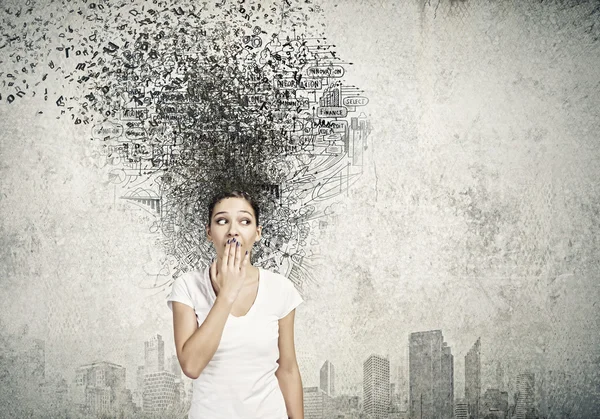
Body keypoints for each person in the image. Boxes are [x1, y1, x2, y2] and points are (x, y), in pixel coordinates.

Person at [166, 189, 304, 419]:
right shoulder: (187, 287)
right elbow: (191, 366)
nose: (233, 230)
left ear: (257, 233)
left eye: (244, 221)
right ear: (209, 232)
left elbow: (288, 369)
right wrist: (227, 293)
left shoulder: (281, 289)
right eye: (222, 221)